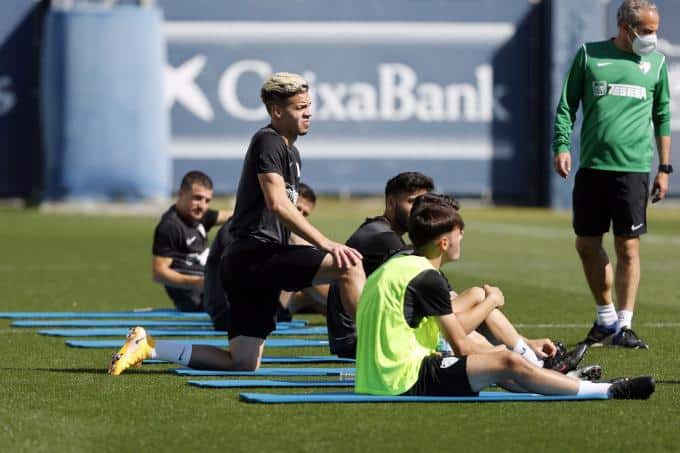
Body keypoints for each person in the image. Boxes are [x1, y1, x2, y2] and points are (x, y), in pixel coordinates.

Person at [109, 72, 364, 375]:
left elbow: (284, 214)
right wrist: (325, 243)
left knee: (242, 363)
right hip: (257, 255)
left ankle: (148, 346)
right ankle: (380, 348)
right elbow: (278, 204)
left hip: (247, 263)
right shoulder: (268, 140)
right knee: (349, 265)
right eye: (299, 107)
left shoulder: (290, 151)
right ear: (277, 111)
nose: (308, 112)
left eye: (309, 105)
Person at [354, 193, 655, 399]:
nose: (463, 239)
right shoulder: (426, 277)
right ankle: (607, 390)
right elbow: (460, 344)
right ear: (444, 242)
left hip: (378, 376)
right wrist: (493, 309)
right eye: (460, 233)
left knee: (499, 363)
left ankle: (557, 378)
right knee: (505, 363)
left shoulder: (399, 265)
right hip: (400, 380)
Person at [327, 172, 591, 378]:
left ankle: (532, 358)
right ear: (391, 202)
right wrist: (488, 301)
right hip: (364, 340)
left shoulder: (389, 236)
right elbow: (447, 313)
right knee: (475, 304)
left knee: (474, 301)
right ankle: (534, 363)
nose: (419, 211)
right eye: (412, 203)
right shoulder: (387, 242)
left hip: (379, 332)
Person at [553, 0, 672, 349]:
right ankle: (605, 318)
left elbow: (662, 116)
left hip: (632, 170)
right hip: (592, 169)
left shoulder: (656, 63)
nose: (653, 37)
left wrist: (664, 168)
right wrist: (562, 145)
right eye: (647, 31)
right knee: (586, 244)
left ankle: (625, 323)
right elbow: (566, 105)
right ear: (626, 28)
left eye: (656, 30)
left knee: (628, 246)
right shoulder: (590, 55)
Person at [202, 182, 324, 330]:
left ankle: (342, 309)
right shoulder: (243, 227)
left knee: (310, 286)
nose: (300, 216)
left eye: (305, 214)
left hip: (249, 308)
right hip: (231, 314)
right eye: (297, 209)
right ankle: (351, 308)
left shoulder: (270, 228)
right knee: (311, 273)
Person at [151, 171, 231, 312]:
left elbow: (230, 215)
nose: (202, 206)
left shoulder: (198, 215)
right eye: (197, 198)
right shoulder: (171, 226)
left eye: (207, 200)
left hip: (210, 287)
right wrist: (198, 283)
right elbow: (159, 273)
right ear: (181, 194)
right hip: (193, 299)